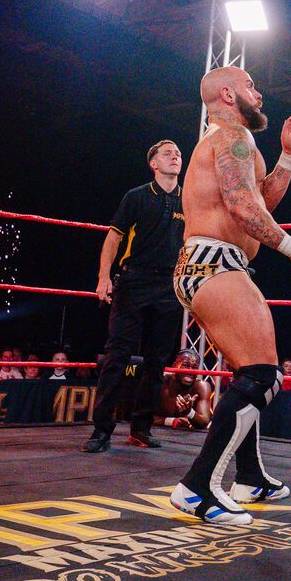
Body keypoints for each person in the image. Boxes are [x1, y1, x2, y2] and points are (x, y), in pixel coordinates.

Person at [168, 67, 291, 525]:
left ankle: (250, 476)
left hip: (213, 263)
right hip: (212, 262)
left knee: (249, 371)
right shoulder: (231, 136)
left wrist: (288, 158)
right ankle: (196, 488)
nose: (259, 94)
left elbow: (258, 201)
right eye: (250, 86)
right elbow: (243, 207)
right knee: (263, 375)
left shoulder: (237, 143)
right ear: (228, 93)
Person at [84, 140, 189, 454]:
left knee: (157, 362)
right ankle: (101, 430)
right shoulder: (137, 196)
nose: (175, 157)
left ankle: (141, 429)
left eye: (179, 154)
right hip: (134, 280)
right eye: (167, 153)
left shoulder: (191, 199)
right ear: (153, 163)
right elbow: (114, 236)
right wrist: (104, 277)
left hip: (170, 284)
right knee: (117, 356)